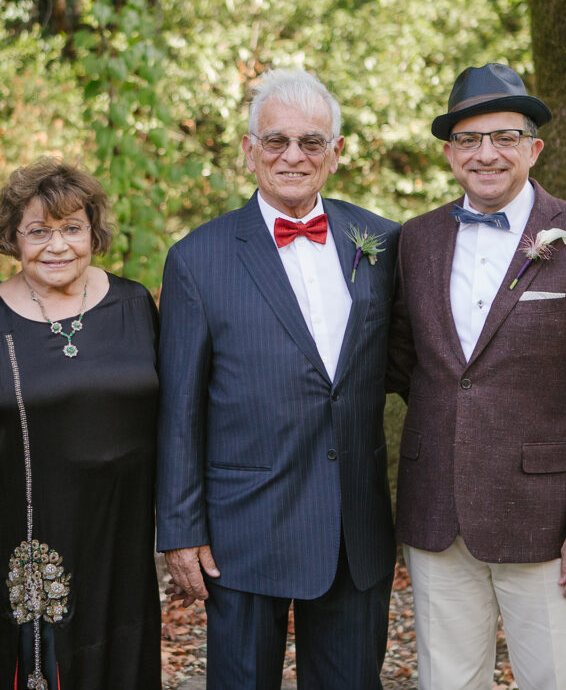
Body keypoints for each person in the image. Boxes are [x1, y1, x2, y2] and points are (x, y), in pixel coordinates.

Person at [388, 62, 566, 689]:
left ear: (534, 147)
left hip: (549, 522)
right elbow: (402, 363)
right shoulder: (415, 241)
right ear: (450, 152)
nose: (487, 154)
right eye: (470, 139)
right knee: (446, 681)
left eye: (504, 137)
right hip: (437, 516)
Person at [157, 68, 400, 688]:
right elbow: (180, 407)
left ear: (335, 153)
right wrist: (181, 531)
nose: (293, 155)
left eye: (311, 142)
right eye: (276, 141)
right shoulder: (198, 258)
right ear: (249, 150)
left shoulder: (381, 243)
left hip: (355, 528)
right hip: (244, 528)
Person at [0, 159, 162, 689]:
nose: (57, 245)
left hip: (125, 543)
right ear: (13, 239)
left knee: (126, 664)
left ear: (94, 232)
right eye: (38, 231)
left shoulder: (136, 305)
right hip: (35, 548)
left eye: (72, 228)